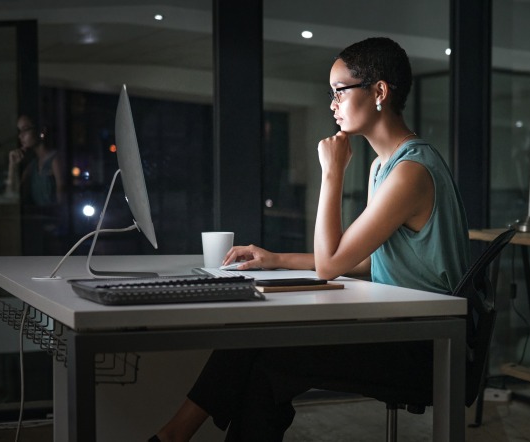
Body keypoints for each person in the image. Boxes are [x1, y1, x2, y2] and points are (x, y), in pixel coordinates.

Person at [151, 37, 470, 442]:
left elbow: (330, 264)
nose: (332, 104)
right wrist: (275, 259)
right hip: (399, 326)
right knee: (257, 341)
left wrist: (332, 172)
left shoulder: (409, 172)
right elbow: (370, 262)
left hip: (427, 345)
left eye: (339, 91)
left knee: (270, 361)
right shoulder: (383, 166)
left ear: (379, 92)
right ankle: (172, 436)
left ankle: (170, 437)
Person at [6, 114, 65, 206]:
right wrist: (12, 166)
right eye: (19, 131)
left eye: (25, 129)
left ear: (41, 131)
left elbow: (62, 198)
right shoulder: (33, 166)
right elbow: (13, 197)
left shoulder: (55, 160)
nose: (20, 136)